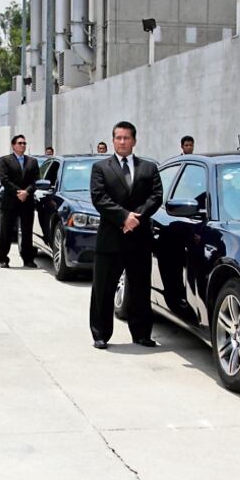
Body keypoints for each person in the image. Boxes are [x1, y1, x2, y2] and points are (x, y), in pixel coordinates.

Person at [89, 120, 163, 350]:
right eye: (118, 138)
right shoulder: (101, 168)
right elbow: (99, 198)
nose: (122, 141)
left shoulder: (148, 168)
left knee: (140, 289)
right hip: (110, 239)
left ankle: (141, 333)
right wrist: (123, 218)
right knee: (103, 290)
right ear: (113, 140)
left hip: (139, 238)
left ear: (134, 141)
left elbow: (156, 196)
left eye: (126, 138)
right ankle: (101, 334)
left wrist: (135, 218)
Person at [0, 134, 40, 268]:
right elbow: (4, 179)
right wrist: (18, 192)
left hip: (27, 201)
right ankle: (3, 258)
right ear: (13, 145)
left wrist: (26, 192)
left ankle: (28, 258)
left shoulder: (32, 161)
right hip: (10, 201)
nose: (23, 145)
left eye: (24, 143)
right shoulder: (5, 161)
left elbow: (35, 180)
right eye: (20, 143)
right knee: (6, 231)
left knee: (27, 232)